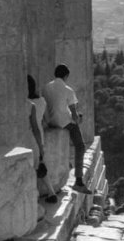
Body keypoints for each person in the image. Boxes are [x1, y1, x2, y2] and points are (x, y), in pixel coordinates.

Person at [32, 64, 92, 194]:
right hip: (63, 122)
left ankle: (70, 165)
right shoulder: (68, 90)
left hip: (49, 121)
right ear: (66, 76)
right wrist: (78, 118)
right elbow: (74, 115)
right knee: (80, 146)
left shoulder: (46, 87)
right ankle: (79, 181)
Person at [26, 75, 58, 204]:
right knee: (40, 165)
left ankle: (36, 197)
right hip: (39, 134)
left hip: (29, 136)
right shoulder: (42, 101)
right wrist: (41, 146)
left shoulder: (26, 104)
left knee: (32, 168)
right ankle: (51, 192)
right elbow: (46, 120)